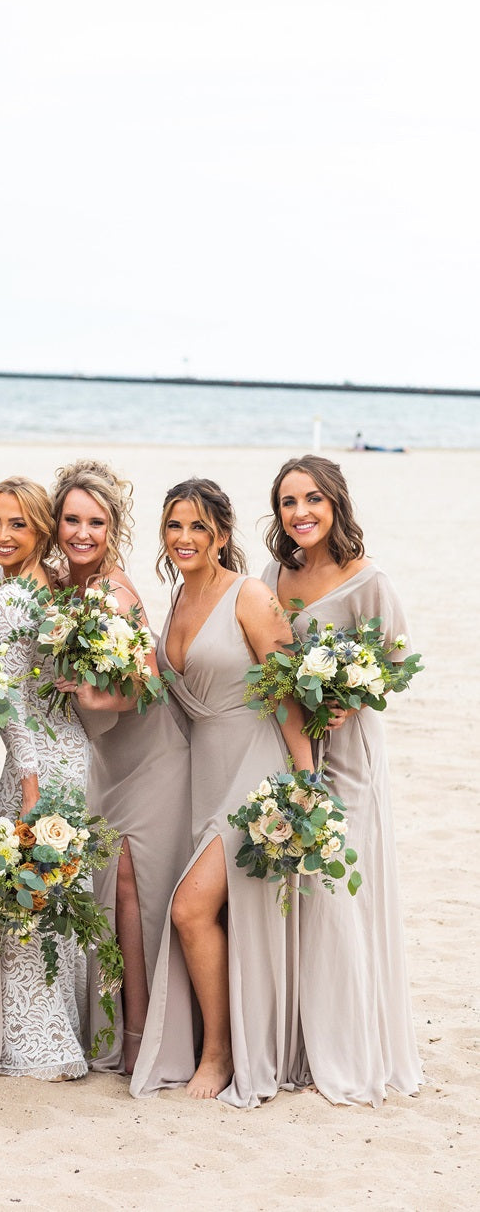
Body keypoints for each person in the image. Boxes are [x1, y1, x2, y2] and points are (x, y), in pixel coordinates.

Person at [130, 478, 313, 1106]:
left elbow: (288, 692)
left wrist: (306, 780)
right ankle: (221, 1037)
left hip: (255, 770)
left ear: (222, 536)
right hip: (200, 773)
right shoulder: (178, 598)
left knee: (191, 909)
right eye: (175, 526)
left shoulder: (251, 595)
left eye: (198, 528)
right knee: (208, 911)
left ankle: (220, 1052)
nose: (184, 538)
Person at [261, 454, 422, 1105]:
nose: (300, 513)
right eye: (288, 502)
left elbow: (397, 654)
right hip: (293, 745)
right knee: (300, 893)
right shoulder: (274, 575)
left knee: (338, 890)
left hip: (351, 752)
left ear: (335, 504)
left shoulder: (368, 579)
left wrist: (352, 698)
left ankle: (351, 1047)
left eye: (311, 500)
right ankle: (302, 1043)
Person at [48, 460, 191, 1075]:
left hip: (152, 754)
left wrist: (84, 694)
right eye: (72, 520)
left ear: (113, 529)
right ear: (55, 524)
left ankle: (141, 1036)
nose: (83, 533)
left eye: (96, 522)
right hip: (108, 759)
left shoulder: (113, 592)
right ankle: (121, 1029)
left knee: (137, 890)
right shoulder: (59, 585)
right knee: (114, 891)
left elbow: (145, 687)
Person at [0, 476, 91, 1080]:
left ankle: (37, 1046)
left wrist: (24, 780)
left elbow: (6, 700)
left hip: (38, 764)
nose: (2, 534)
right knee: (58, 889)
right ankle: (61, 1033)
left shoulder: (13, 598)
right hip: (73, 754)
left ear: (41, 530)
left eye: (18, 524)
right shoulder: (51, 589)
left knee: (29, 892)